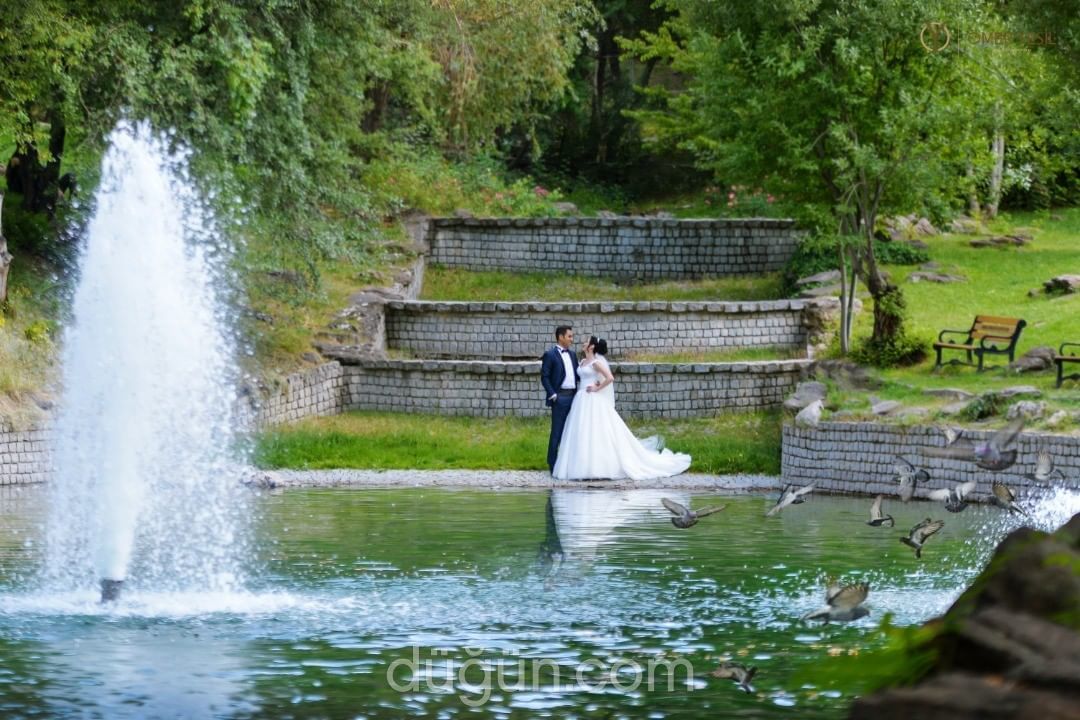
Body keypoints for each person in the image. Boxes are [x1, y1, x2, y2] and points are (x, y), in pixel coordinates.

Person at [552, 335, 691, 480]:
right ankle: (579, 465)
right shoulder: (582, 362)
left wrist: (596, 388)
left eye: (587, 341)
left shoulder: (596, 362)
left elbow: (610, 377)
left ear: (592, 346)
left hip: (592, 399)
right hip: (581, 399)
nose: (583, 343)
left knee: (596, 431)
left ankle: (599, 467)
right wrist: (595, 384)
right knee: (581, 431)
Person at [540, 325, 578, 473]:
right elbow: (545, 377)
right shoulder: (550, 354)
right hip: (560, 398)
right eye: (569, 336)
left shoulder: (573, 355)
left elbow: (577, 374)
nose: (572, 339)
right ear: (561, 337)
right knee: (557, 432)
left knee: (572, 431)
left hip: (574, 398)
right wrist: (553, 395)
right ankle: (552, 464)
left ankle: (569, 464)